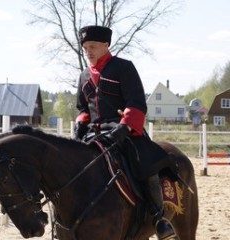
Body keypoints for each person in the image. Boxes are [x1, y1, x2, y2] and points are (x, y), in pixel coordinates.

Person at [75, 25, 176, 239]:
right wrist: (80, 124)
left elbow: (137, 103)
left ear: (105, 45)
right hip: (94, 133)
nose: (88, 52)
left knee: (146, 167)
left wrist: (124, 127)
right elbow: (84, 109)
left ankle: (159, 218)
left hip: (124, 131)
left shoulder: (123, 68)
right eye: (85, 48)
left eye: (92, 46)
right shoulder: (83, 76)